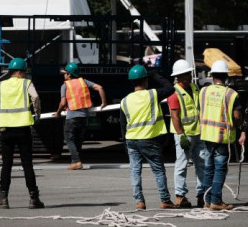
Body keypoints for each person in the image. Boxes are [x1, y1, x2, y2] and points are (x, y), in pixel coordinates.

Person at [119, 65, 176, 210]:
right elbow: (170, 88)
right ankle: (165, 200)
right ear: (146, 80)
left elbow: (122, 124)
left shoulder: (124, 101)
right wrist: (155, 75)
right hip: (149, 139)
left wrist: (125, 144)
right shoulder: (152, 94)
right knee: (158, 170)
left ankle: (140, 202)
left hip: (131, 140)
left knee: (135, 171)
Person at [0, 58, 44, 209]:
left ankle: (3, 198)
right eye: (25, 72)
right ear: (20, 72)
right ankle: (34, 198)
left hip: (6, 129)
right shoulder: (26, 83)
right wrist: (37, 113)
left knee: (6, 164)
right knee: (27, 164)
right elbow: (35, 97)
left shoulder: (0, 85)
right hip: (23, 129)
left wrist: (1, 118)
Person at [199, 60, 242, 211]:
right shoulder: (231, 94)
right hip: (222, 136)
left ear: (212, 75)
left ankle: (207, 200)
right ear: (226, 76)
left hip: (207, 135)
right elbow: (237, 117)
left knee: (208, 168)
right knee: (220, 169)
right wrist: (238, 127)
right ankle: (216, 201)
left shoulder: (203, 91)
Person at [166, 59, 208, 208]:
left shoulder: (195, 88)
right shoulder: (174, 93)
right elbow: (175, 116)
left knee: (201, 165)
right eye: (187, 74)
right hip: (184, 134)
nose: (190, 76)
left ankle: (202, 195)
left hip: (198, 132)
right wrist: (181, 135)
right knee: (182, 165)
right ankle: (180, 196)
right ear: (180, 76)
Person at [52, 62, 107, 170]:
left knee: (69, 139)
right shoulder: (84, 82)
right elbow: (100, 88)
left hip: (72, 117)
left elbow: (63, 103)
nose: (64, 75)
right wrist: (104, 102)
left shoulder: (65, 85)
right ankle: (75, 161)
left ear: (69, 74)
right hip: (84, 118)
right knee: (78, 140)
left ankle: (77, 161)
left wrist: (58, 113)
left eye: (65, 73)